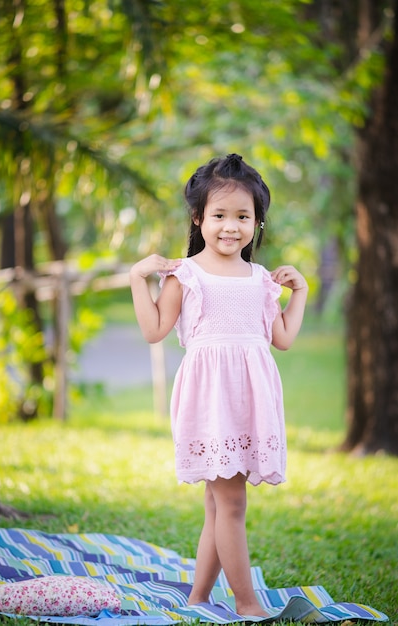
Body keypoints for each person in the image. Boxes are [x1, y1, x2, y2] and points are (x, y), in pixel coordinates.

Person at [130, 153, 308, 618]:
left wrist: (300, 293)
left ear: (257, 223)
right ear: (199, 218)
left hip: (250, 399)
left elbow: (282, 339)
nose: (231, 227)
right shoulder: (185, 276)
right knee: (231, 503)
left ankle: (198, 598)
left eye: (243, 217)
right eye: (220, 216)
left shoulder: (260, 280)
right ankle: (247, 604)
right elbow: (154, 331)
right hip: (210, 402)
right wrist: (136, 278)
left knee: (218, 503)